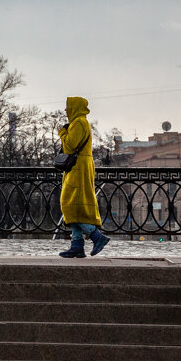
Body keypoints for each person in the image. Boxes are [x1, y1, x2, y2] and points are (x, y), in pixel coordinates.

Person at [58, 96, 109, 258]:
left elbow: (70, 145)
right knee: (73, 206)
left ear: (75, 107)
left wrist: (63, 132)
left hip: (78, 168)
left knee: (73, 206)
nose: (66, 110)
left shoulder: (79, 123)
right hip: (77, 167)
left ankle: (97, 237)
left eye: (68, 106)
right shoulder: (79, 122)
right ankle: (77, 246)